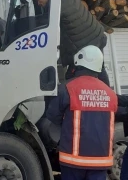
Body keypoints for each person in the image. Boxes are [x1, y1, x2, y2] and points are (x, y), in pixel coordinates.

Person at [46, 45, 118, 180]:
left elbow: (53, 116)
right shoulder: (110, 93)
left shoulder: (67, 89)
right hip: (100, 160)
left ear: (78, 62)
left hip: (73, 160)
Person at [36, 0, 110, 86]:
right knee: (99, 68)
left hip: (88, 42)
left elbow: (48, 25)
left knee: (71, 77)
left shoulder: (56, 6)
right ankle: (108, 95)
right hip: (96, 35)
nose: (38, 3)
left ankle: (107, 96)